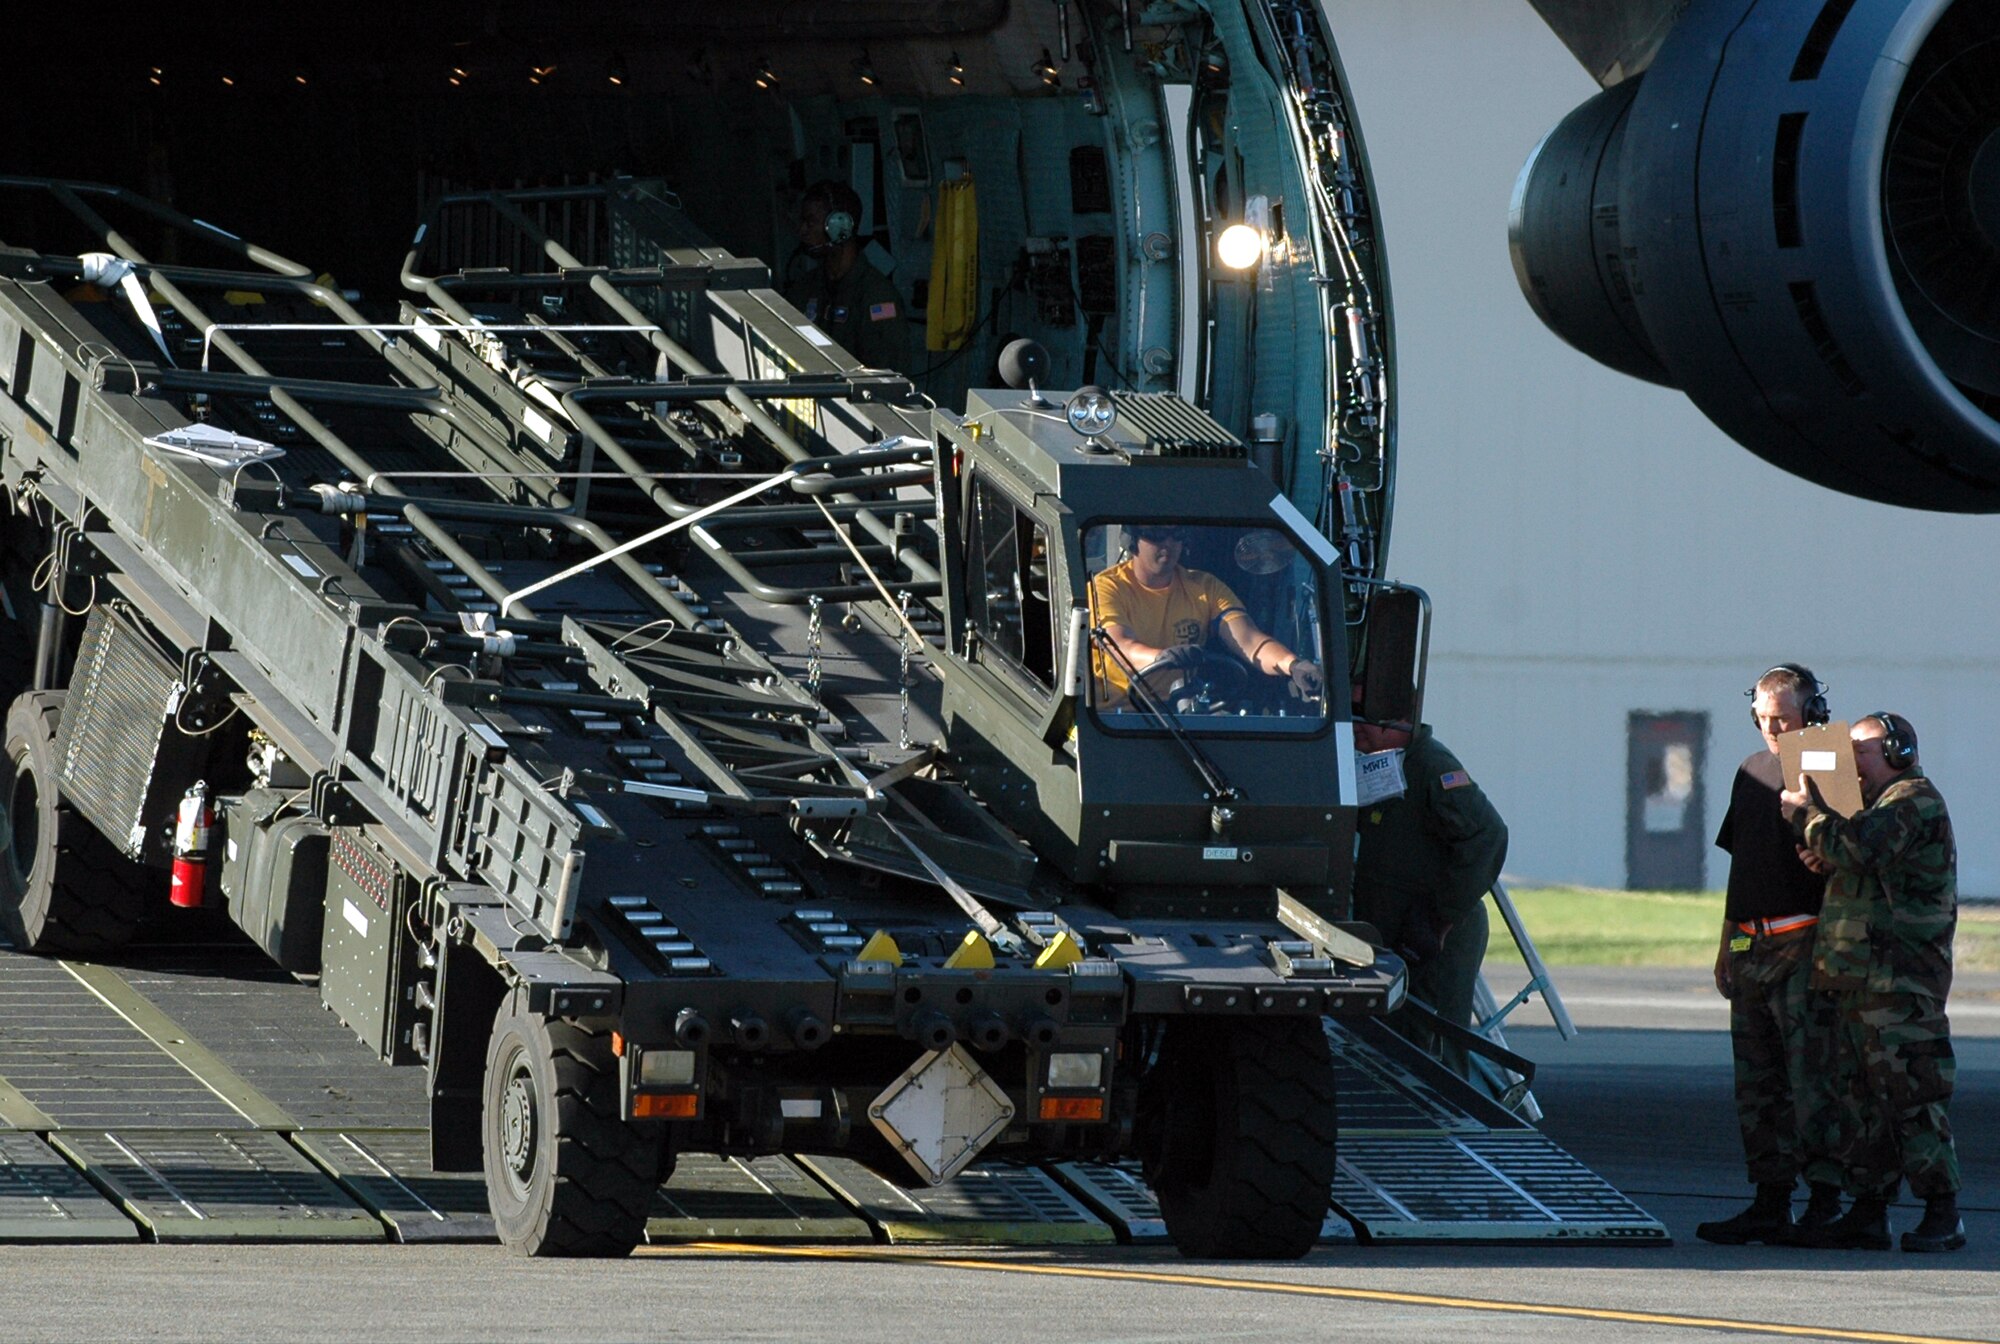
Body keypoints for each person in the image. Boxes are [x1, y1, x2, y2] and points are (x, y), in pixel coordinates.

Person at [1781, 712, 1964, 1253]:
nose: (1849, 759)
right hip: (1861, 977)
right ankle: (1869, 1208)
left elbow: (1863, 848)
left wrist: (1808, 818)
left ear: (1896, 749)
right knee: (1860, 1103)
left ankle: (1943, 1210)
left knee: (1913, 1096)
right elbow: (1855, 855)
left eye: (1859, 749)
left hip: (1900, 981)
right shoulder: (1874, 809)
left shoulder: (1912, 800)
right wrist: (1825, 849)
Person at [1696, 664, 1845, 1246]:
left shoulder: (1826, 759)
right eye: (1762, 718)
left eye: (1782, 717)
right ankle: (1770, 1199)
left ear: (1811, 713)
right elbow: (1744, 869)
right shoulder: (1751, 771)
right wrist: (1728, 943)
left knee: (1811, 1081)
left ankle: (1826, 1200)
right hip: (1752, 943)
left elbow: (1844, 854)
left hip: (1805, 942)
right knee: (1757, 1084)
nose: (1772, 729)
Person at [1350, 711, 1508, 1075]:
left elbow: (1488, 835)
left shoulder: (1431, 766)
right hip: (1395, 933)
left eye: (1367, 717)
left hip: (1435, 937)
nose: (1356, 726)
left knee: (1439, 1043)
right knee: (1398, 1038)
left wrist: (1439, 918)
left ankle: (1449, 1125)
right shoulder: (1380, 766)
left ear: (1400, 720)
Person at [1089, 525, 1321, 705]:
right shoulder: (1106, 587)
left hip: (1180, 714)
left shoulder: (1204, 587)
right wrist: (1162, 657)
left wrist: (1293, 665)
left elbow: (1249, 640)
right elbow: (1119, 647)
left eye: (1176, 534)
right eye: (1157, 534)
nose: (1168, 544)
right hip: (1115, 719)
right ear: (1131, 540)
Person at [784, 180, 910, 370]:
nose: (802, 231)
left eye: (810, 222)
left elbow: (888, 377)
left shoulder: (877, 297)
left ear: (839, 227)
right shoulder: (804, 289)